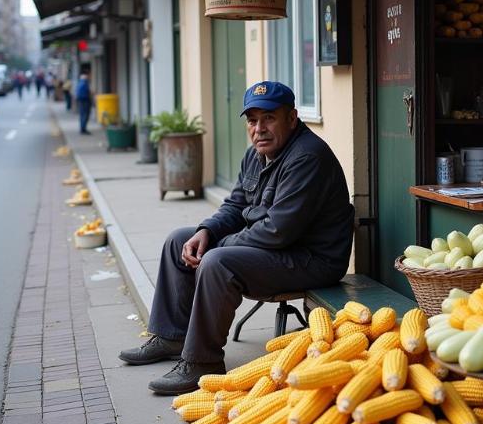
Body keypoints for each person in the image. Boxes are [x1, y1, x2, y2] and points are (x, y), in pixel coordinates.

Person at [119, 82, 355, 395]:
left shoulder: (307, 158)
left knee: (218, 261)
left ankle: (202, 362)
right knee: (180, 240)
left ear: (293, 118)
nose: (259, 129)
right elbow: (234, 206)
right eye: (252, 120)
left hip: (311, 259)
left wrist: (217, 246)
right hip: (278, 251)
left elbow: (277, 231)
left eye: (269, 118)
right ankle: (172, 336)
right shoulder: (256, 155)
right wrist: (207, 231)